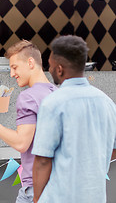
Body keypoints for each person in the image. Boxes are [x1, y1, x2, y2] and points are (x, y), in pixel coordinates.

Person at [31, 35, 116, 203]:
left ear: (60, 69)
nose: (49, 69)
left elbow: (42, 160)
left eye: (51, 65)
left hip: (59, 197)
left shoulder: (53, 103)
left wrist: (36, 198)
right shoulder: (107, 103)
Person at [0, 40, 56, 203]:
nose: (11, 74)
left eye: (15, 67)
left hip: (36, 189)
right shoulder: (57, 93)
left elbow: (21, 143)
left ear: (30, 62)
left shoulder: (28, 97)